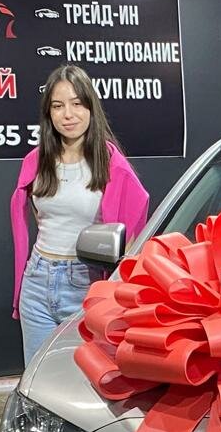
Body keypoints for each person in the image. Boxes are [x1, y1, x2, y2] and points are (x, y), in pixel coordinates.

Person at [10, 64, 149, 365]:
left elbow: (133, 232)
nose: (68, 115)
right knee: (38, 377)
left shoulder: (111, 163)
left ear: (90, 107)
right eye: (58, 106)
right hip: (37, 280)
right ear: (49, 113)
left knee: (85, 376)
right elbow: (39, 217)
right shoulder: (35, 161)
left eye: (77, 103)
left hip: (86, 283)